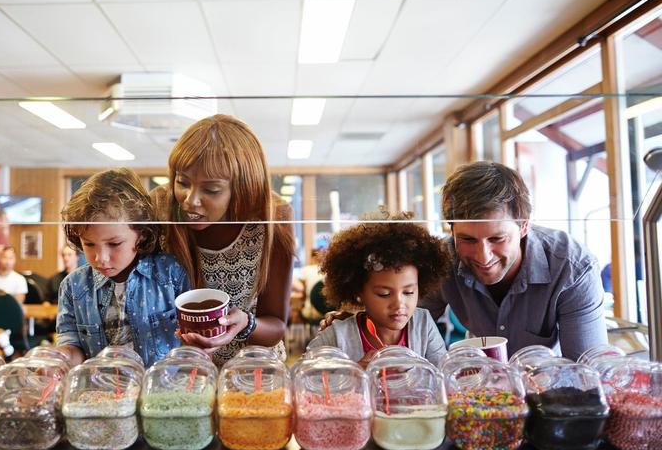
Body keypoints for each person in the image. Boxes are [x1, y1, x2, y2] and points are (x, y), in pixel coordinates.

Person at [421, 161, 607, 360]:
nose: (483, 256)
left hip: (550, 383)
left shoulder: (573, 268)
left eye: (497, 238)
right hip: (478, 381)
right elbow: (405, 333)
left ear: (524, 226)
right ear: (452, 231)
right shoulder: (441, 261)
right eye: (468, 239)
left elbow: (588, 371)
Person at [153, 114, 296, 366]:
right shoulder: (161, 206)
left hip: (252, 370)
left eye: (211, 190)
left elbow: (276, 324)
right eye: (182, 182)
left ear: (243, 188)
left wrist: (246, 323)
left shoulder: (273, 216)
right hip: (183, 370)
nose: (190, 200)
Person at [56, 168, 190, 367]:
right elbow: (72, 344)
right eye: (89, 244)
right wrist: (60, 359)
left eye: (114, 244)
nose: (100, 258)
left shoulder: (171, 273)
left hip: (161, 390)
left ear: (142, 234)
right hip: (102, 391)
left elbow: (192, 344)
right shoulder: (73, 286)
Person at [307, 214, 451, 368]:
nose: (399, 304)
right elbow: (305, 379)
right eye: (384, 294)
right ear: (359, 291)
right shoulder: (337, 335)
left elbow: (444, 376)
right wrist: (354, 375)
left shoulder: (423, 324)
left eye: (409, 292)